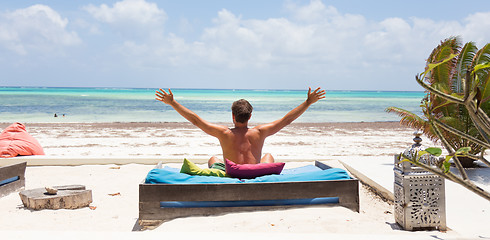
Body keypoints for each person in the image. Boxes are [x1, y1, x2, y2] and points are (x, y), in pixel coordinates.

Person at [155, 87, 326, 171]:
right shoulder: (259, 132)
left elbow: (195, 120)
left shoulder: (224, 133)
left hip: (232, 173)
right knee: (269, 156)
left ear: (233, 116)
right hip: (255, 173)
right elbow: (286, 120)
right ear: (250, 116)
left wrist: (172, 103)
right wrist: (308, 102)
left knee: (213, 159)